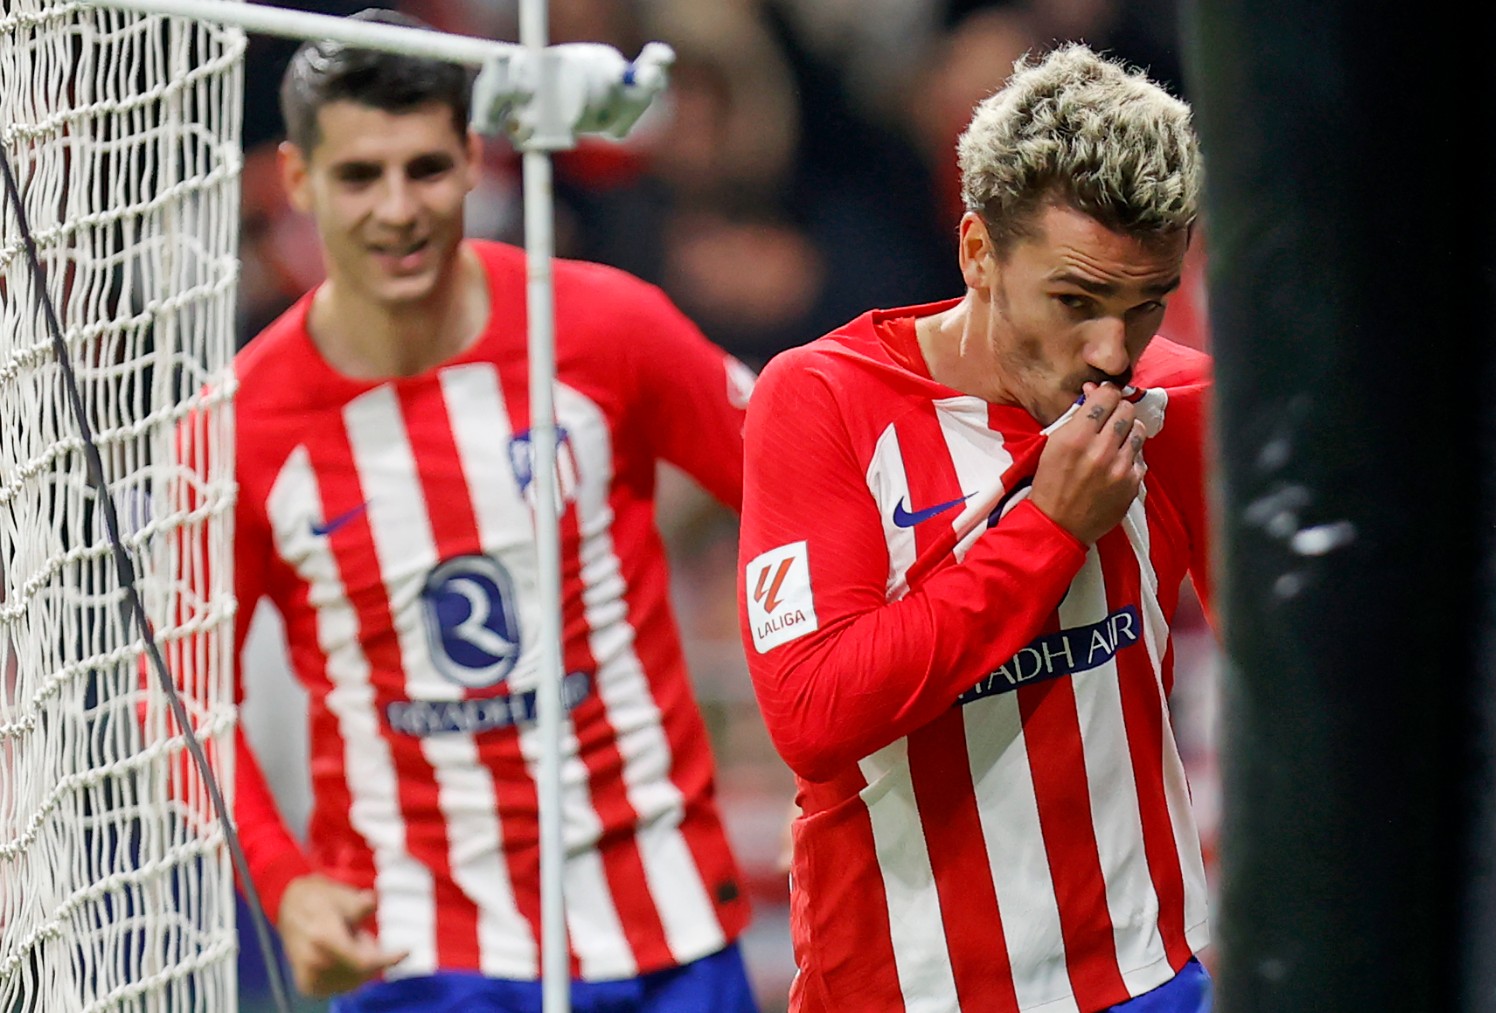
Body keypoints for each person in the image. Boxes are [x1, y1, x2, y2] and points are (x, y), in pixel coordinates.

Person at [229, 11, 759, 1010]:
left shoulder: (605, 327)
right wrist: (284, 874)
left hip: (667, 923)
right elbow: (172, 685)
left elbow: (797, 485)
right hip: (418, 952)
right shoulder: (245, 425)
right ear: (298, 182)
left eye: (425, 168)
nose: (397, 210)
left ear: (474, 159)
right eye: (358, 176)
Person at [738, 44, 1214, 1013]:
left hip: (1147, 977)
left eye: (1146, 303)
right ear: (977, 252)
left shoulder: (1181, 399)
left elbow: (1299, 689)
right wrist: (1047, 528)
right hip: (902, 989)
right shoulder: (823, 399)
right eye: (1076, 302)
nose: (1111, 353)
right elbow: (815, 712)